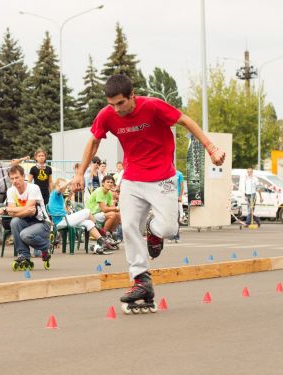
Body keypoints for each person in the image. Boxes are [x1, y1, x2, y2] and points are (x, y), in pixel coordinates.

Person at [71, 74, 225, 310]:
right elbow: (93, 142)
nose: (117, 110)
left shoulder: (152, 106)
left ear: (132, 96)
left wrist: (211, 147)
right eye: (112, 104)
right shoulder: (107, 115)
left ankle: (154, 232)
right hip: (132, 179)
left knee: (170, 228)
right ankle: (141, 280)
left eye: (120, 103)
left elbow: (185, 121)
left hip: (163, 177)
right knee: (130, 225)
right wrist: (80, 173)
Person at [0, 164, 51, 270]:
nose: (15, 181)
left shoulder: (33, 188)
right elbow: (21, 211)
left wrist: (6, 209)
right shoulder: (11, 191)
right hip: (25, 220)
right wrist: (18, 211)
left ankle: (46, 246)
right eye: (12, 178)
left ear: (23, 176)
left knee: (24, 234)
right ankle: (24, 256)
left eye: (17, 177)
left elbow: (30, 208)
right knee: (14, 222)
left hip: (42, 222)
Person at [48, 178, 117, 254]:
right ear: (58, 185)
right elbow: (60, 188)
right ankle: (103, 234)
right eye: (64, 185)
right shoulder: (55, 193)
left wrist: (68, 199)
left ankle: (102, 241)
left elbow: (66, 211)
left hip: (65, 219)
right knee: (87, 211)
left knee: (88, 223)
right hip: (62, 221)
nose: (66, 187)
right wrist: (70, 181)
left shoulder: (60, 196)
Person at [0, 150, 28, 244]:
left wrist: (23, 159)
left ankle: (6, 237)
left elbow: (13, 163)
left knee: (8, 215)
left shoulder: (3, 165)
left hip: (6, 193)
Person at [170, 169, 184, 242]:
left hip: (176, 198)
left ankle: (176, 236)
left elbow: (182, 185)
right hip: (169, 198)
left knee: (176, 218)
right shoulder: (167, 173)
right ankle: (171, 236)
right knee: (170, 218)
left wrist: (180, 196)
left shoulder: (179, 174)